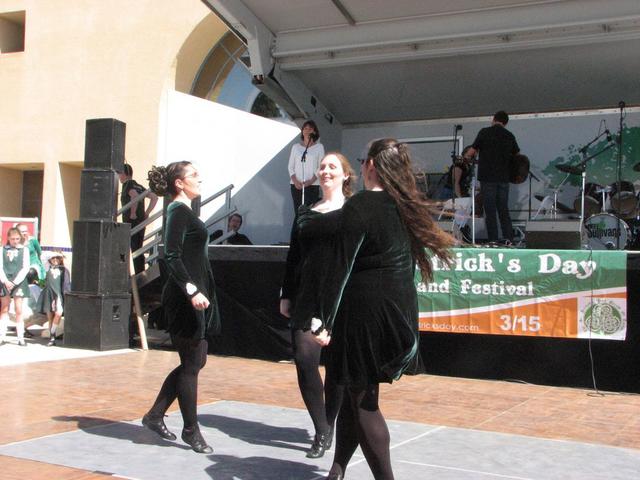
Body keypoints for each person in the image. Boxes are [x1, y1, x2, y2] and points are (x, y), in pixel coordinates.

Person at [313, 139, 454, 480]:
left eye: (363, 160)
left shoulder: (361, 204)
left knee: (363, 401)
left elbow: (340, 267)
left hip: (365, 312)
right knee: (352, 391)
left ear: (371, 165)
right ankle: (337, 470)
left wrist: (323, 319)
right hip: (396, 311)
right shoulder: (401, 205)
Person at [280, 153, 355, 458]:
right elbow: (294, 255)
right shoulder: (305, 211)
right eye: (322, 167)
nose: (325, 171)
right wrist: (286, 293)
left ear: (345, 176)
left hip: (341, 296)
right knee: (304, 360)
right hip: (306, 295)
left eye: (332, 167)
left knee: (336, 367)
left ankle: (330, 425)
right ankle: (322, 429)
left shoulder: (354, 211)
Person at [142, 161, 220, 454]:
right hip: (184, 300)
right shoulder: (177, 211)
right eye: (194, 175)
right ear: (179, 183)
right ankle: (191, 430)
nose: (200, 179)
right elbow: (170, 255)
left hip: (195, 298)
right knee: (191, 364)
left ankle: (154, 415)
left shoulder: (186, 211)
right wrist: (191, 290)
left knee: (195, 360)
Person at [465, 111, 520, 243]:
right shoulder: (509, 135)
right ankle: (509, 239)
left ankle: (493, 241)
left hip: (488, 177)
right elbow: (517, 155)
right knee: (503, 209)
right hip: (504, 178)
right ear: (505, 123)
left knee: (490, 210)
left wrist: (466, 157)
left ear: (493, 119)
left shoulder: (484, 132)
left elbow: (472, 152)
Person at [118, 163, 158, 273]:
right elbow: (154, 197)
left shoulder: (128, 185)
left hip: (132, 222)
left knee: (133, 249)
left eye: (119, 174)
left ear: (124, 174)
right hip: (141, 222)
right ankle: (141, 272)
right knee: (138, 248)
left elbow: (134, 196)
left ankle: (138, 274)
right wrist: (146, 213)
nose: (118, 177)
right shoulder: (138, 185)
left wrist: (133, 213)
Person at [0, 227, 32, 346]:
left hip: (19, 281)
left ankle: (20, 337)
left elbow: (25, 267)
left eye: (17, 238)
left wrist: (14, 282)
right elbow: (0, 266)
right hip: (4, 281)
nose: (15, 241)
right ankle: (2, 336)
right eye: (12, 239)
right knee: (4, 308)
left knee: (19, 309)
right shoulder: (2, 249)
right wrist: (5, 281)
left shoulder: (24, 250)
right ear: (8, 238)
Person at [288, 120, 324, 213]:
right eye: (305, 128)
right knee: (298, 212)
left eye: (310, 128)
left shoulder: (319, 147)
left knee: (309, 212)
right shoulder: (295, 147)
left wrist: (310, 181)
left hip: (312, 185)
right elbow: (290, 166)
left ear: (314, 132)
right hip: (296, 185)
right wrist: (295, 181)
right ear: (302, 131)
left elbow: (321, 166)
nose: (307, 130)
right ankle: (297, 228)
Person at [37, 252, 71, 346]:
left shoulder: (63, 270)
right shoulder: (47, 267)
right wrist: (55, 253)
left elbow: (67, 284)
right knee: (50, 317)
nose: (55, 260)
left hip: (58, 294)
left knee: (59, 313)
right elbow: (42, 256)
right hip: (48, 294)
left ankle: (52, 332)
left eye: (57, 258)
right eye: (53, 258)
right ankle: (52, 338)